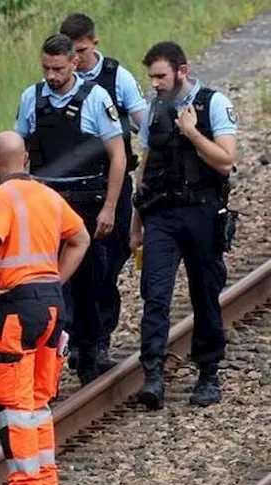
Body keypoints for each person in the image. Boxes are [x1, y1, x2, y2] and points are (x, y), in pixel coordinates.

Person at [0, 131, 91, 485]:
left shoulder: (2, 197)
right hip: (52, 306)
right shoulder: (49, 196)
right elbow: (80, 238)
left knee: (14, 406)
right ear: (26, 160)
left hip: (16, 308)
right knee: (39, 403)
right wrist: (55, 280)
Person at [13, 33, 126, 385]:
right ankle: (57, 353)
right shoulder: (31, 98)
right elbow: (18, 150)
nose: (51, 76)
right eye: (46, 68)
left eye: (58, 69)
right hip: (46, 202)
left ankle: (90, 351)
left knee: (91, 280)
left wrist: (109, 207)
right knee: (49, 284)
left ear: (74, 63)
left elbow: (118, 157)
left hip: (86, 202)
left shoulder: (96, 98)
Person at [132, 41, 238, 409]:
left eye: (161, 76)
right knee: (155, 295)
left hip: (202, 213)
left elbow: (225, 161)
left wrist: (193, 133)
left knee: (205, 292)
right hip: (161, 214)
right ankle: (153, 375)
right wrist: (136, 223)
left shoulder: (214, 104)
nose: (156, 83)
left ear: (182, 70)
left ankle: (208, 373)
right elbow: (144, 169)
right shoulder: (154, 109)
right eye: (151, 77)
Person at [61, 13, 151, 373]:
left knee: (108, 263)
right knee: (71, 267)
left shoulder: (118, 76)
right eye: (72, 52)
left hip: (110, 183)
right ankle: (78, 340)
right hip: (70, 190)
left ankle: (98, 338)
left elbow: (144, 122)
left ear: (93, 44)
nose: (77, 59)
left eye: (82, 50)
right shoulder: (57, 82)